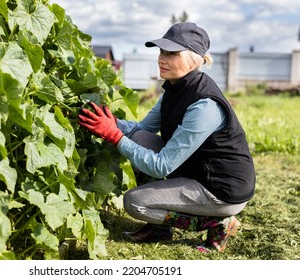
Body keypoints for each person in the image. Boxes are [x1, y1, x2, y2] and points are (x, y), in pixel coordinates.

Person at [78, 22, 255, 253]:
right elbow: (143, 129)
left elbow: (161, 166)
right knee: (141, 137)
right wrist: (111, 122)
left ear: (194, 59)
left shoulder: (205, 105)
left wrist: (113, 135)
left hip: (221, 190)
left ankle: (218, 222)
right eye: (162, 51)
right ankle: (159, 228)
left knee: (134, 203)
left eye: (172, 53)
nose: (162, 59)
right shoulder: (175, 88)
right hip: (196, 170)